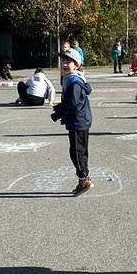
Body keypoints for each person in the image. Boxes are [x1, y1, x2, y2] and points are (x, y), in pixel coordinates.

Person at [51, 48, 93, 196]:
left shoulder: (75, 82)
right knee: (79, 150)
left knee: (76, 151)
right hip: (79, 119)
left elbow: (73, 103)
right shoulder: (71, 79)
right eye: (64, 61)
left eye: (68, 62)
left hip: (78, 120)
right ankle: (84, 177)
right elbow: (70, 101)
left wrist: (58, 114)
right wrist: (60, 107)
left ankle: (84, 179)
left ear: (76, 65)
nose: (65, 64)